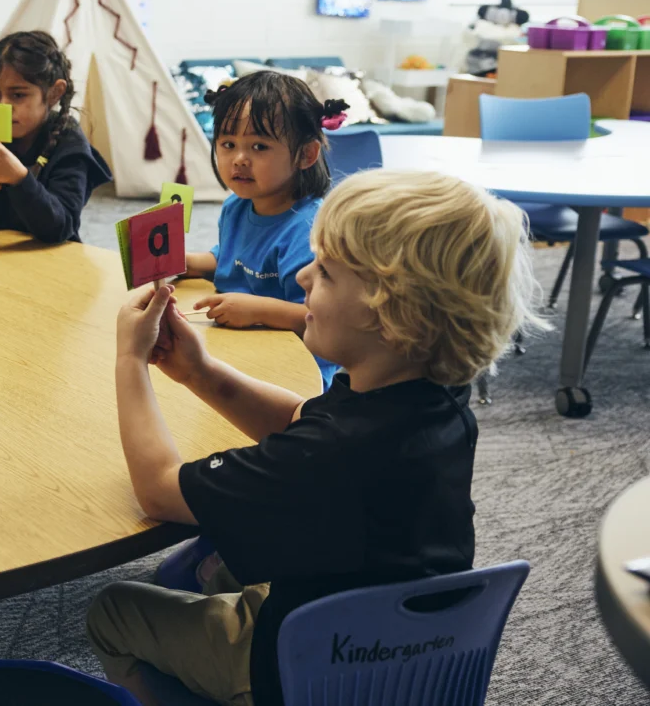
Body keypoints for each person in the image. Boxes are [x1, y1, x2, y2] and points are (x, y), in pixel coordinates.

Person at [86, 168, 540, 706]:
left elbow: (158, 489)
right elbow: (306, 417)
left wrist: (128, 359)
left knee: (114, 608)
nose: (301, 278)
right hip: (406, 649)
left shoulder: (326, 457)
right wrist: (199, 373)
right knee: (209, 566)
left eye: (324, 272)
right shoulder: (432, 398)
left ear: (394, 314)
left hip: (308, 665)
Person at [181, 70, 348, 388]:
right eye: (228, 144)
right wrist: (190, 262)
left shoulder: (309, 230)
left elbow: (323, 318)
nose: (239, 159)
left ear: (306, 154)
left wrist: (258, 310)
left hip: (295, 370)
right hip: (239, 347)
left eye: (259, 147)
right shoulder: (237, 205)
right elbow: (234, 259)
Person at [0, 30, 111, 244]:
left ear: (54, 93)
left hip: (49, 264)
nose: (3, 106)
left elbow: (60, 229)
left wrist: (19, 179)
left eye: (18, 95)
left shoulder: (68, 143)